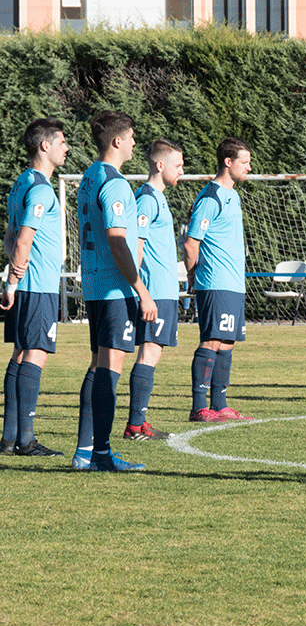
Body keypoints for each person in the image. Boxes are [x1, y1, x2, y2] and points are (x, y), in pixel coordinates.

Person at [71, 110, 158, 471]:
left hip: (93, 284)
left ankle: (84, 451)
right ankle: (101, 455)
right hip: (112, 288)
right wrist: (141, 289)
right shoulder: (117, 182)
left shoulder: (89, 177)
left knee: (98, 365)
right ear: (117, 141)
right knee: (110, 366)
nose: (136, 143)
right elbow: (118, 241)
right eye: (132, 137)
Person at [1, 118, 69, 458]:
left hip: (27, 284)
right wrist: (13, 282)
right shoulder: (41, 189)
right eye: (61, 142)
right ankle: (25, 440)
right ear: (45, 146)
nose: (66, 148)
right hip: (37, 285)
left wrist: (12, 281)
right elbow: (23, 240)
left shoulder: (20, 184)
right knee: (36, 355)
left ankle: (9, 438)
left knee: (19, 355)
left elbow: (9, 237)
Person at [183, 137, 254, 422]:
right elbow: (191, 243)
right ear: (228, 162)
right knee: (212, 341)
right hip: (215, 281)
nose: (249, 167)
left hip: (234, 283)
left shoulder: (233, 195)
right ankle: (200, 406)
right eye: (244, 162)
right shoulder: (210, 197)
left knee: (227, 342)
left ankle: (220, 405)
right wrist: (192, 275)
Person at [124, 139, 185, 440]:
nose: (182, 171)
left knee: (154, 352)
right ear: (160, 166)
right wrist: (142, 290)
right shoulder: (146, 199)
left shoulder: (158, 198)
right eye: (178, 165)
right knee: (148, 353)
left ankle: (139, 422)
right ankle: (135, 425)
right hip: (155, 292)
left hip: (164, 291)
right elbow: (135, 247)